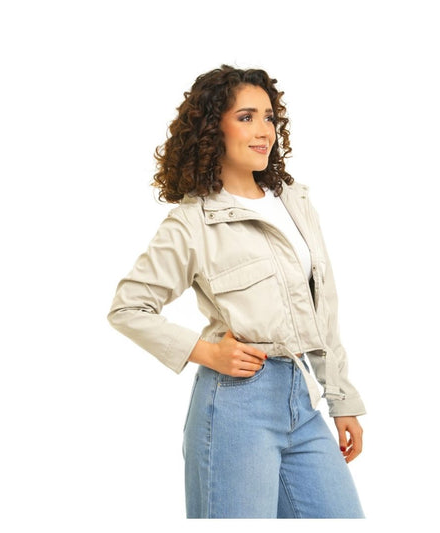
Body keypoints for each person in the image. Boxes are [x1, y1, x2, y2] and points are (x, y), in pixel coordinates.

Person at [107, 65, 366, 519]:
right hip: (236, 406)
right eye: (246, 117)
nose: (264, 130)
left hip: (303, 399)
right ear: (213, 129)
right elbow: (129, 307)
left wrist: (342, 398)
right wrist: (206, 351)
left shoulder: (293, 201)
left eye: (269, 117)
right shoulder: (193, 222)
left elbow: (323, 309)